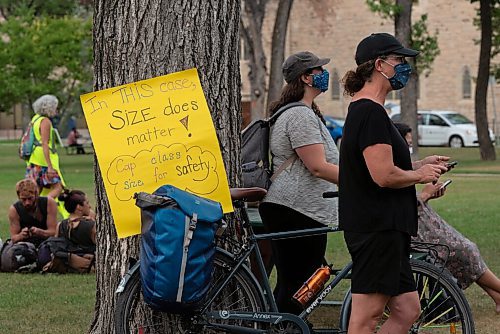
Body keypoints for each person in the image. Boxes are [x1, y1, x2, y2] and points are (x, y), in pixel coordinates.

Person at [339, 32, 449, 334]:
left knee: (408, 310)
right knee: (366, 318)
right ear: (379, 65)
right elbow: (383, 175)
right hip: (376, 229)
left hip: (390, 229)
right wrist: (420, 176)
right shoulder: (369, 112)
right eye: (399, 60)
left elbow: (378, 166)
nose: (404, 67)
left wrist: (418, 165)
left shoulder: (373, 111)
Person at [258, 51, 340, 315]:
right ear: (306, 77)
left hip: (301, 209)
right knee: (302, 281)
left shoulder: (304, 113)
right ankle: (284, 325)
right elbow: (317, 166)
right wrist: (362, 181)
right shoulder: (299, 116)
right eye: (319, 70)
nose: (324, 75)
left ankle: (284, 325)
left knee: (298, 280)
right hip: (294, 209)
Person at [395, 122, 500, 313]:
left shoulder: (399, 164)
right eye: (407, 144)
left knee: (468, 248)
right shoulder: (385, 168)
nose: (409, 148)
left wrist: (427, 184)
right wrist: (425, 194)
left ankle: (498, 297)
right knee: (466, 250)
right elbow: (392, 203)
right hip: (412, 232)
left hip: (423, 224)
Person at [25, 94, 66, 199]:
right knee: (58, 187)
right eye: (55, 107)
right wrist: (50, 166)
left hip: (34, 157)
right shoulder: (45, 121)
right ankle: (44, 205)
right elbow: (44, 143)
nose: (56, 109)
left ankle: (31, 211)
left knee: (37, 189)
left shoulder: (35, 119)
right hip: (42, 159)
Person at [7, 178, 58, 248]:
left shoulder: (49, 203)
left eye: (30, 198)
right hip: (25, 246)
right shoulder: (14, 210)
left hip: (48, 243)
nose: (27, 203)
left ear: (36, 194)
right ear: (19, 197)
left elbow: (54, 232)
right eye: (23, 199)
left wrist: (40, 232)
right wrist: (21, 235)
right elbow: (14, 238)